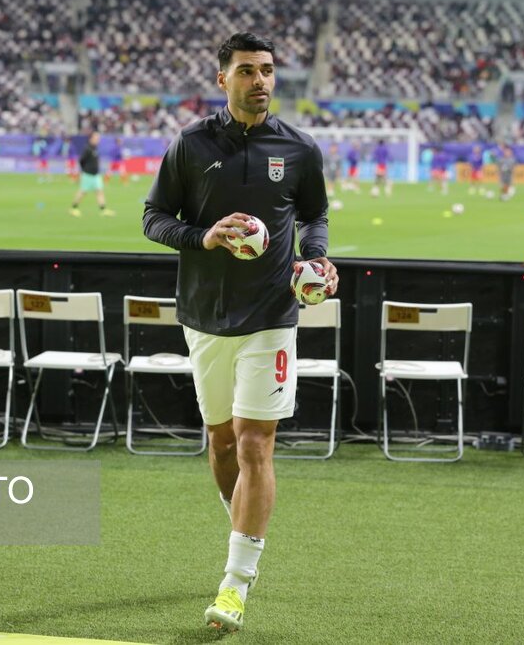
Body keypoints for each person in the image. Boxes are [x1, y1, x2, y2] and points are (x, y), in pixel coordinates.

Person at [142, 31, 337, 633]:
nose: (261, 81)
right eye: (248, 71)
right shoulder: (192, 144)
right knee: (222, 444)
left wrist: (318, 260)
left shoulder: (299, 149)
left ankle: (235, 584)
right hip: (203, 314)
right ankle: (246, 525)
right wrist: (202, 236)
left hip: (272, 315)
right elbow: (153, 218)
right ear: (222, 78)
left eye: (268, 70)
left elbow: (314, 216)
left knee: (255, 444)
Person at [70, 131, 114, 217]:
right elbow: (81, 161)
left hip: (96, 175)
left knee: (99, 191)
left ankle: (103, 209)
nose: (98, 140)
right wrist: (84, 170)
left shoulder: (95, 148)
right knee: (83, 192)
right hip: (88, 174)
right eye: (96, 138)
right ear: (91, 139)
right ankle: (74, 207)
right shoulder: (87, 149)